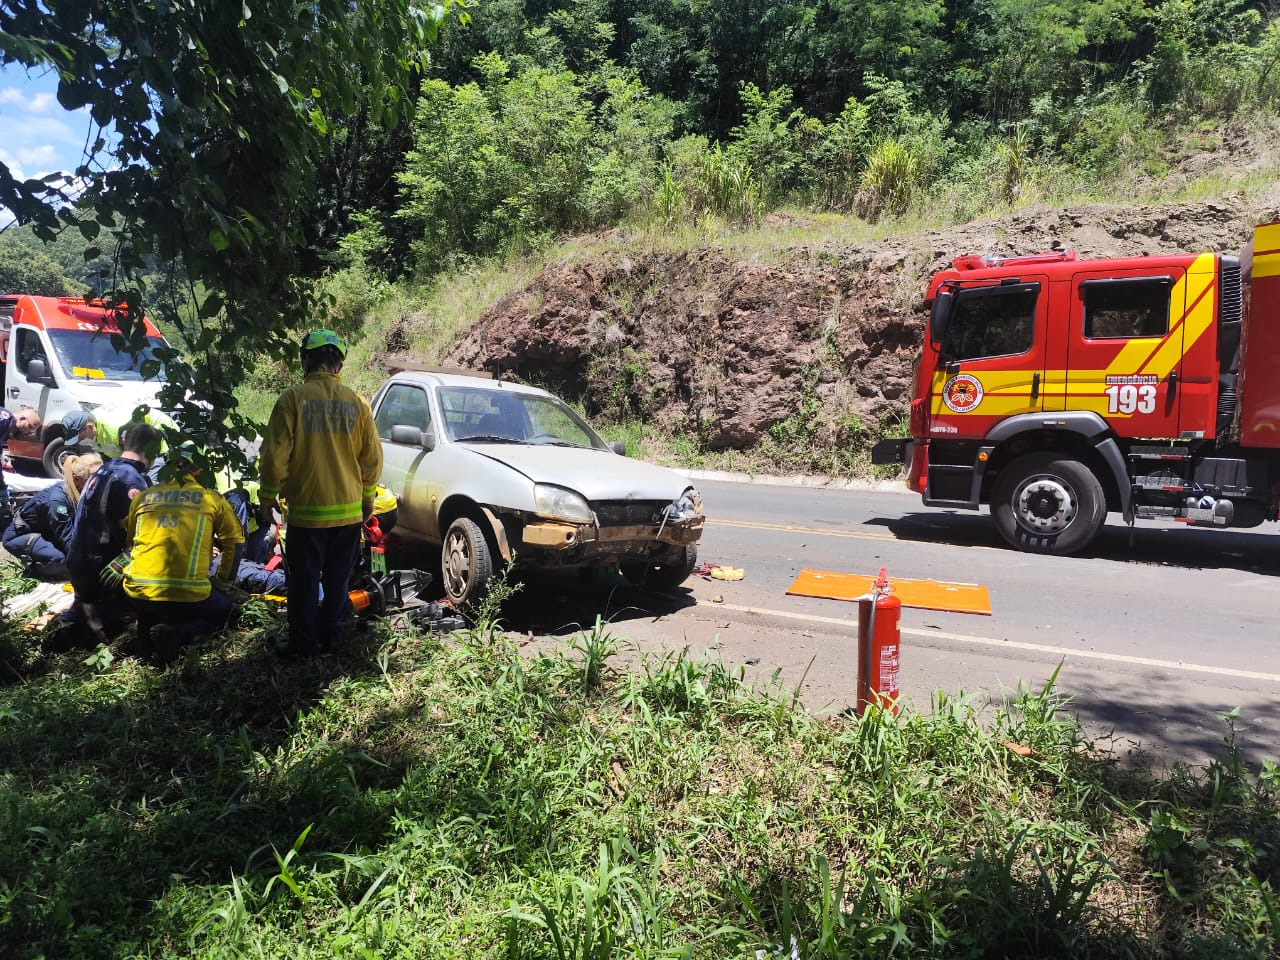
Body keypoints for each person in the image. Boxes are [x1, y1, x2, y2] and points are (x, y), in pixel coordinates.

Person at [258, 329, 381, 657]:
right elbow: (371, 459)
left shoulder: (292, 400)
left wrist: (267, 499)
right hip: (348, 515)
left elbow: (275, 457)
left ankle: (304, 644)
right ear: (339, 366)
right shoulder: (359, 404)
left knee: (304, 583)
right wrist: (367, 499)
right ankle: (332, 639)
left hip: (308, 514)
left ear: (306, 360)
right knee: (339, 580)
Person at [118, 442, 244, 658]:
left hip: (137, 592)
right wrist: (223, 582)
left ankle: (147, 631)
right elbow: (235, 541)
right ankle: (181, 632)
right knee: (226, 609)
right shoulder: (210, 497)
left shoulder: (143, 497)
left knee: (154, 607)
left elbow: (130, 543)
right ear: (198, 469)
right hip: (189, 595)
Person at [64, 421, 161, 642]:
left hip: (79, 560)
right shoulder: (131, 480)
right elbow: (140, 533)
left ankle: (70, 630)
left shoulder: (105, 469)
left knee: (83, 615)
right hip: (102, 567)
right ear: (153, 450)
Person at [1, 452, 102, 579]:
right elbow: (67, 538)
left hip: (49, 532)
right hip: (20, 536)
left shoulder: (86, 491)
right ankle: (34, 570)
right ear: (76, 479)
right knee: (65, 562)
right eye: (93, 479)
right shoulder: (58, 500)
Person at [0, 406, 42, 523]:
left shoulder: (5, 421)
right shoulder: (5, 422)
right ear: (22, 419)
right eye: (30, 428)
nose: (28, 433)